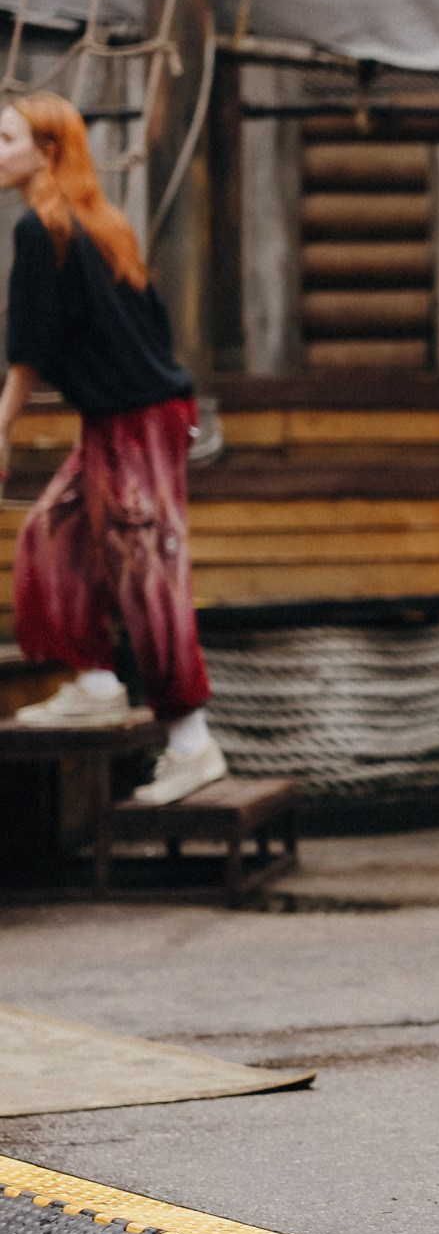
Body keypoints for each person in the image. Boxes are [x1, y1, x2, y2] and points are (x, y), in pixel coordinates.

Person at [0, 92, 224, 803]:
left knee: (146, 576)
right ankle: (97, 683)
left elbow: (28, 353)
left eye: (6, 138)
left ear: (48, 151)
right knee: (51, 538)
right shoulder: (100, 222)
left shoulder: (49, 229)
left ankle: (193, 745)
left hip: (137, 420)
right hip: (125, 416)